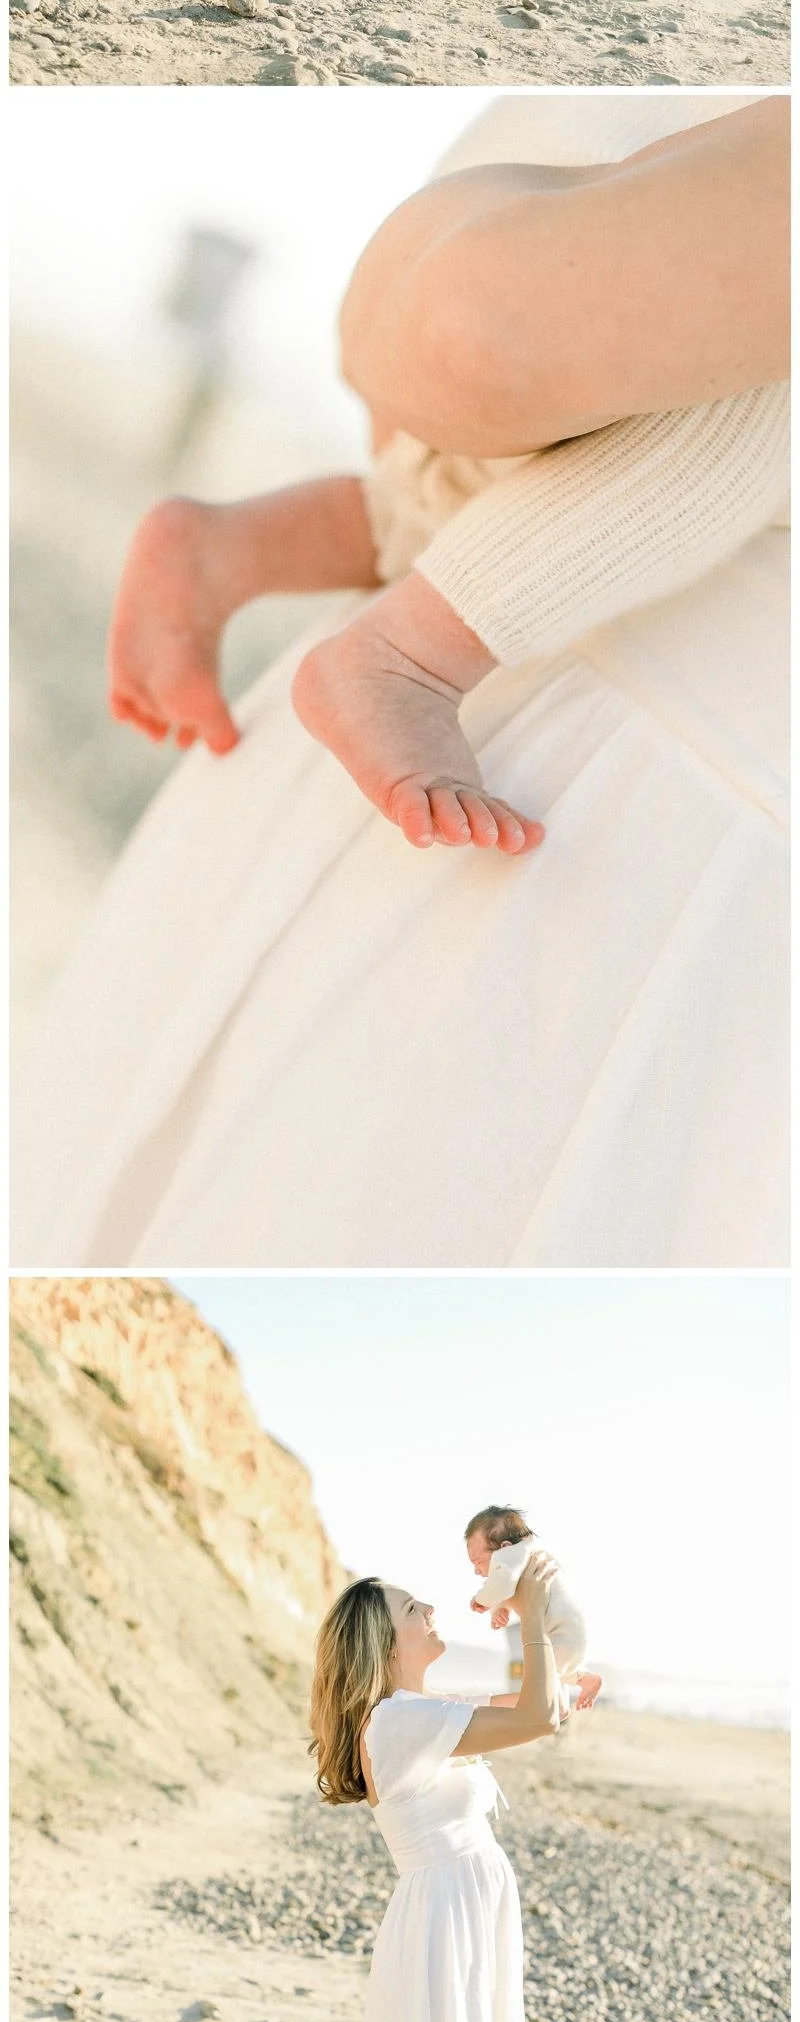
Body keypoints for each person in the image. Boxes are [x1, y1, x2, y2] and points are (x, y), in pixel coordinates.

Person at [11, 97, 790, 1274]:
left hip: (567, 161)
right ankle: (413, 648)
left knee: (513, 445)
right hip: (604, 767)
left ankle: (240, 547)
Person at [309, 1552, 564, 2022]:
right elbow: (534, 1716)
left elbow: (532, 1703)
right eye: (413, 1608)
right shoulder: (400, 1718)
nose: (430, 1611)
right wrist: (536, 1612)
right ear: (384, 1642)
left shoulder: (418, 1710)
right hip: (441, 1916)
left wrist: (556, 1668)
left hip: (465, 1909)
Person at [465, 1505, 601, 1722]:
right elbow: (511, 1588)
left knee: (541, 1680)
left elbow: (503, 1584)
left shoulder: (512, 1556)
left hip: (562, 1634)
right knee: (553, 1670)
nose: (476, 1570)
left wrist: (482, 1600)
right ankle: (585, 1678)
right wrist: (498, 1610)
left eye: (478, 1562)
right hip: (568, 1634)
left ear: (504, 1547)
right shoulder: (528, 1557)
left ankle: (559, 1707)